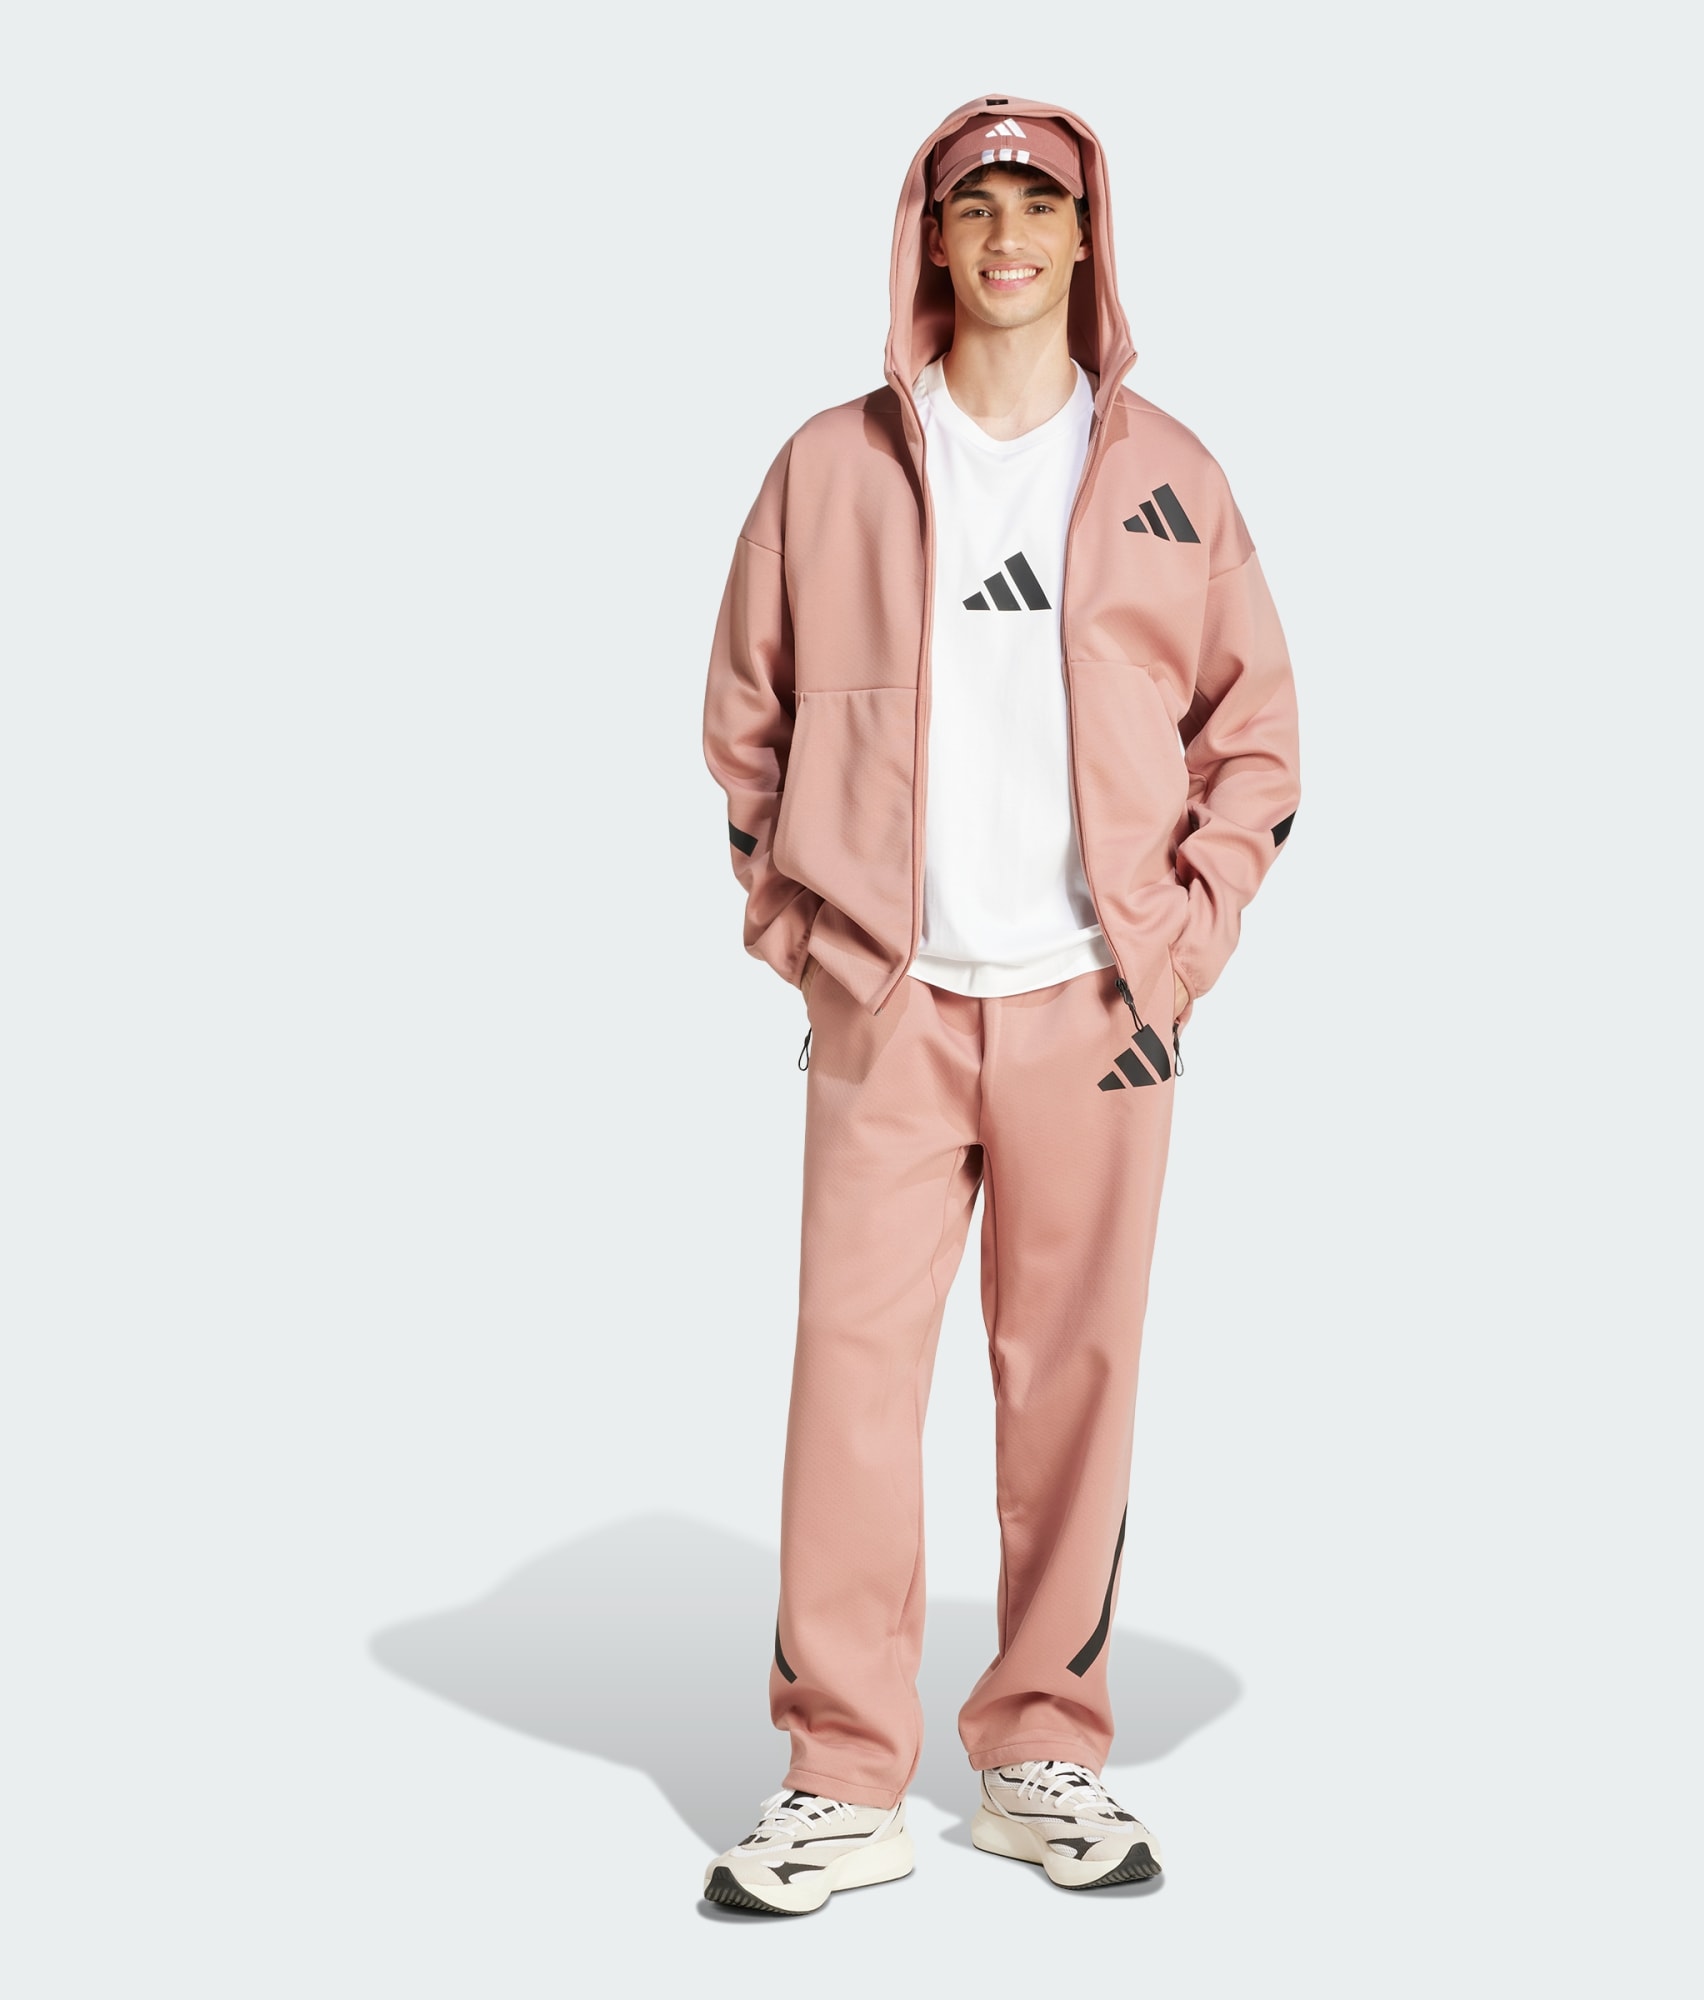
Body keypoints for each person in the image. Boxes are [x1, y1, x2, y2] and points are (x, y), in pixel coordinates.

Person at [698, 93, 1302, 1914]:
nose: (1011, 236)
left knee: (1073, 1392)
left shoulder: (1171, 474)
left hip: (1097, 1013)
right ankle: (841, 1777)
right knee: (851, 1386)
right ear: (933, 238)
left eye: (1042, 205)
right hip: (886, 1005)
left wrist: (1179, 946)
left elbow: (1256, 736)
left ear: (1087, 235)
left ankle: (1046, 1751)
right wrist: (804, 931)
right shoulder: (828, 468)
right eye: (979, 209)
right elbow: (744, 719)